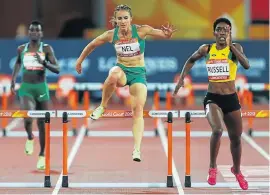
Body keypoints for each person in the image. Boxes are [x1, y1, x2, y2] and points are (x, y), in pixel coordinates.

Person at [75, 4, 176, 162]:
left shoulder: (142, 30)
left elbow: (163, 34)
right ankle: (102, 106)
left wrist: (167, 34)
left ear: (131, 19)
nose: (122, 21)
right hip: (122, 70)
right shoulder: (111, 34)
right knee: (113, 75)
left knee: (137, 111)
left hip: (138, 74)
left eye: (125, 18)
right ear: (115, 20)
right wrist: (80, 61)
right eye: (119, 18)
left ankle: (136, 149)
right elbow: (92, 44)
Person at [173, 18, 250, 190]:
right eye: (220, 29)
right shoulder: (207, 49)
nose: (223, 32)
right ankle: (212, 167)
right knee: (217, 129)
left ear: (229, 33)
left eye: (226, 30)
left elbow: (246, 65)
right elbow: (191, 60)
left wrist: (231, 47)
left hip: (231, 99)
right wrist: (182, 79)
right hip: (212, 98)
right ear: (214, 32)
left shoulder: (236, 48)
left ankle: (236, 171)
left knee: (236, 138)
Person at [11, 20, 60, 170]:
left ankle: (42, 154)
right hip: (26, 88)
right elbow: (18, 63)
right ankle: (30, 137)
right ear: (29, 33)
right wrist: (13, 80)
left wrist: (44, 62)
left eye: (38, 30)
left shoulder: (46, 48)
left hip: (41, 88)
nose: (35, 33)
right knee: (27, 117)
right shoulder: (21, 49)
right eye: (32, 30)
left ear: (41, 33)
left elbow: (57, 69)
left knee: (43, 124)